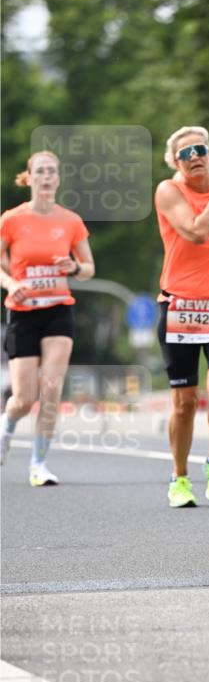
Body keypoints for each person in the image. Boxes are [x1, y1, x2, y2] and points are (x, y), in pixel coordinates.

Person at [155, 126, 209, 507]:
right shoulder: (169, 190)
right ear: (176, 162)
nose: (194, 156)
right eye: (185, 152)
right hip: (179, 306)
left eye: (200, 149)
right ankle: (179, 477)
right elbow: (195, 232)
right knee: (184, 401)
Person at [0, 150, 95, 484]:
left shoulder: (70, 221)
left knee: (51, 389)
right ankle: (7, 428)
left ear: (57, 178)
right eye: (40, 171)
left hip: (58, 311)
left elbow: (88, 268)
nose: (46, 177)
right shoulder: (11, 219)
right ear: (29, 177)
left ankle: (38, 464)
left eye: (51, 172)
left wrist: (74, 267)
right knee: (23, 399)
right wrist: (11, 283)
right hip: (23, 313)